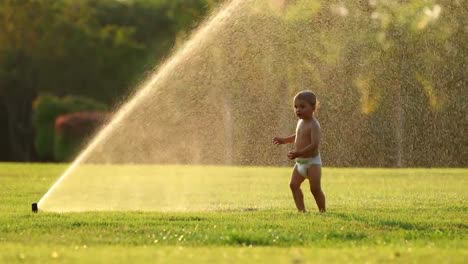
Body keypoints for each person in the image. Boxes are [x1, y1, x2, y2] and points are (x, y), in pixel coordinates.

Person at [273, 91, 326, 212]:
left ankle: (323, 211)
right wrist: (284, 140)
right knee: (293, 185)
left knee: (315, 189)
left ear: (313, 108)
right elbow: (297, 136)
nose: (298, 110)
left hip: (312, 163)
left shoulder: (314, 125)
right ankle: (302, 211)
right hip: (300, 163)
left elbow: (314, 145)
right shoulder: (300, 122)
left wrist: (298, 153)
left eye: (302, 106)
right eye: (296, 107)